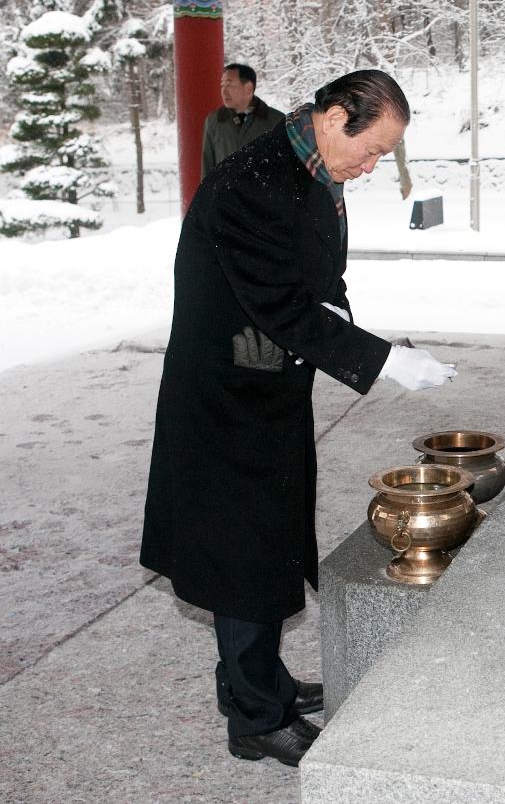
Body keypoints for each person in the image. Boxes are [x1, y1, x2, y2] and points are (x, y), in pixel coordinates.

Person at [142, 69, 454, 768]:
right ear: (335, 115)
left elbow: (313, 276)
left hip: (268, 386)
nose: (372, 167)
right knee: (242, 558)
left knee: (270, 538)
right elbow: (280, 308)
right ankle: (256, 718)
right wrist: (383, 362)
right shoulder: (252, 181)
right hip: (224, 397)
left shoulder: (309, 167)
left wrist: (340, 312)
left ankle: (263, 682)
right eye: (371, 150)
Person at [201, 63, 285, 178]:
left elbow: (286, 167)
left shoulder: (276, 121)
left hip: (262, 194)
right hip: (226, 194)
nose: (224, 91)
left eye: (230, 85)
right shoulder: (214, 121)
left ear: (248, 88)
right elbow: (208, 166)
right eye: (222, 85)